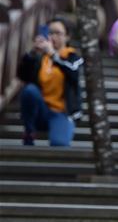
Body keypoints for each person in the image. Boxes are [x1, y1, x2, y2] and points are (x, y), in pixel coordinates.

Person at [17, 17, 83, 147]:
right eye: (50, 32)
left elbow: (73, 71)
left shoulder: (72, 57)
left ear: (67, 36)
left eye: (58, 33)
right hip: (41, 110)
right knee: (29, 90)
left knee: (59, 144)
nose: (53, 37)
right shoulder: (41, 57)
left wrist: (53, 54)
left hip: (61, 112)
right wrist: (32, 53)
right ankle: (29, 131)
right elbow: (22, 76)